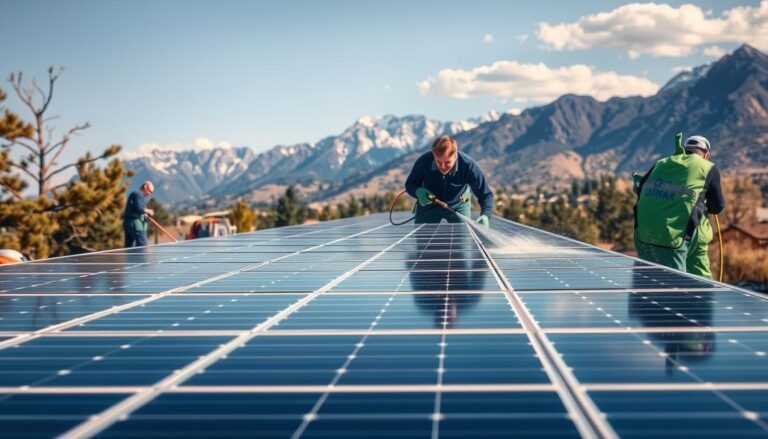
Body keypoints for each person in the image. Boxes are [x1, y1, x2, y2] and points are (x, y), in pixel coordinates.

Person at [633, 134, 725, 278]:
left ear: (685, 149)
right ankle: (704, 298)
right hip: (676, 238)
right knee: (685, 284)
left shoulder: (662, 162)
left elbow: (641, 188)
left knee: (649, 281)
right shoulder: (708, 167)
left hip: (644, 235)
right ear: (706, 154)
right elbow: (717, 206)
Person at [405, 135, 493, 226]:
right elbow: (410, 184)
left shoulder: (468, 166)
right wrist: (417, 192)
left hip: (459, 206)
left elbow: (485, 194)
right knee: (423, 238)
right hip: (428, 207)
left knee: (463, 238)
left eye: (447, 162)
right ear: (433, 155)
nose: (442, 167)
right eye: (438, 162)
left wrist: (485, 215)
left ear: (455, 156)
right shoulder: (423, 162)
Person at [123, 181, 155, 247]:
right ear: (145, 187)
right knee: (143, 244)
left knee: (129, 247)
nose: (150, 194)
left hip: (128, 222)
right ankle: (142, 257)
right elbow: (139, 208)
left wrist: (144, 213)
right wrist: (149, 211)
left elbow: (137, 209)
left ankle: (130, 257)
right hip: (135, 223)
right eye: (150, 191)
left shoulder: (137, 195)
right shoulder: (138, 194)